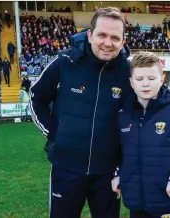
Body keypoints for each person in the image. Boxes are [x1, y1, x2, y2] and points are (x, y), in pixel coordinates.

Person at [29, 7, 133, 218]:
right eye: (101, 35)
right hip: (66, 167)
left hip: (108, 172)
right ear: (89, 35)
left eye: (115, 37)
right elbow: (35, 98)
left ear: (123, 41)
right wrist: (52, 133)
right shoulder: (65, 62)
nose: (107, 42)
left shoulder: (129, 72)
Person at [112, 52, 170, 218]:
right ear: (131, 82)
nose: (145, 84)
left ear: (162, 79)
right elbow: (117, 151)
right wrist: (117, 173)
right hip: (135, 199)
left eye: (151, 78)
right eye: (139, 79)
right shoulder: (123, 114)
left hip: (166, 199)